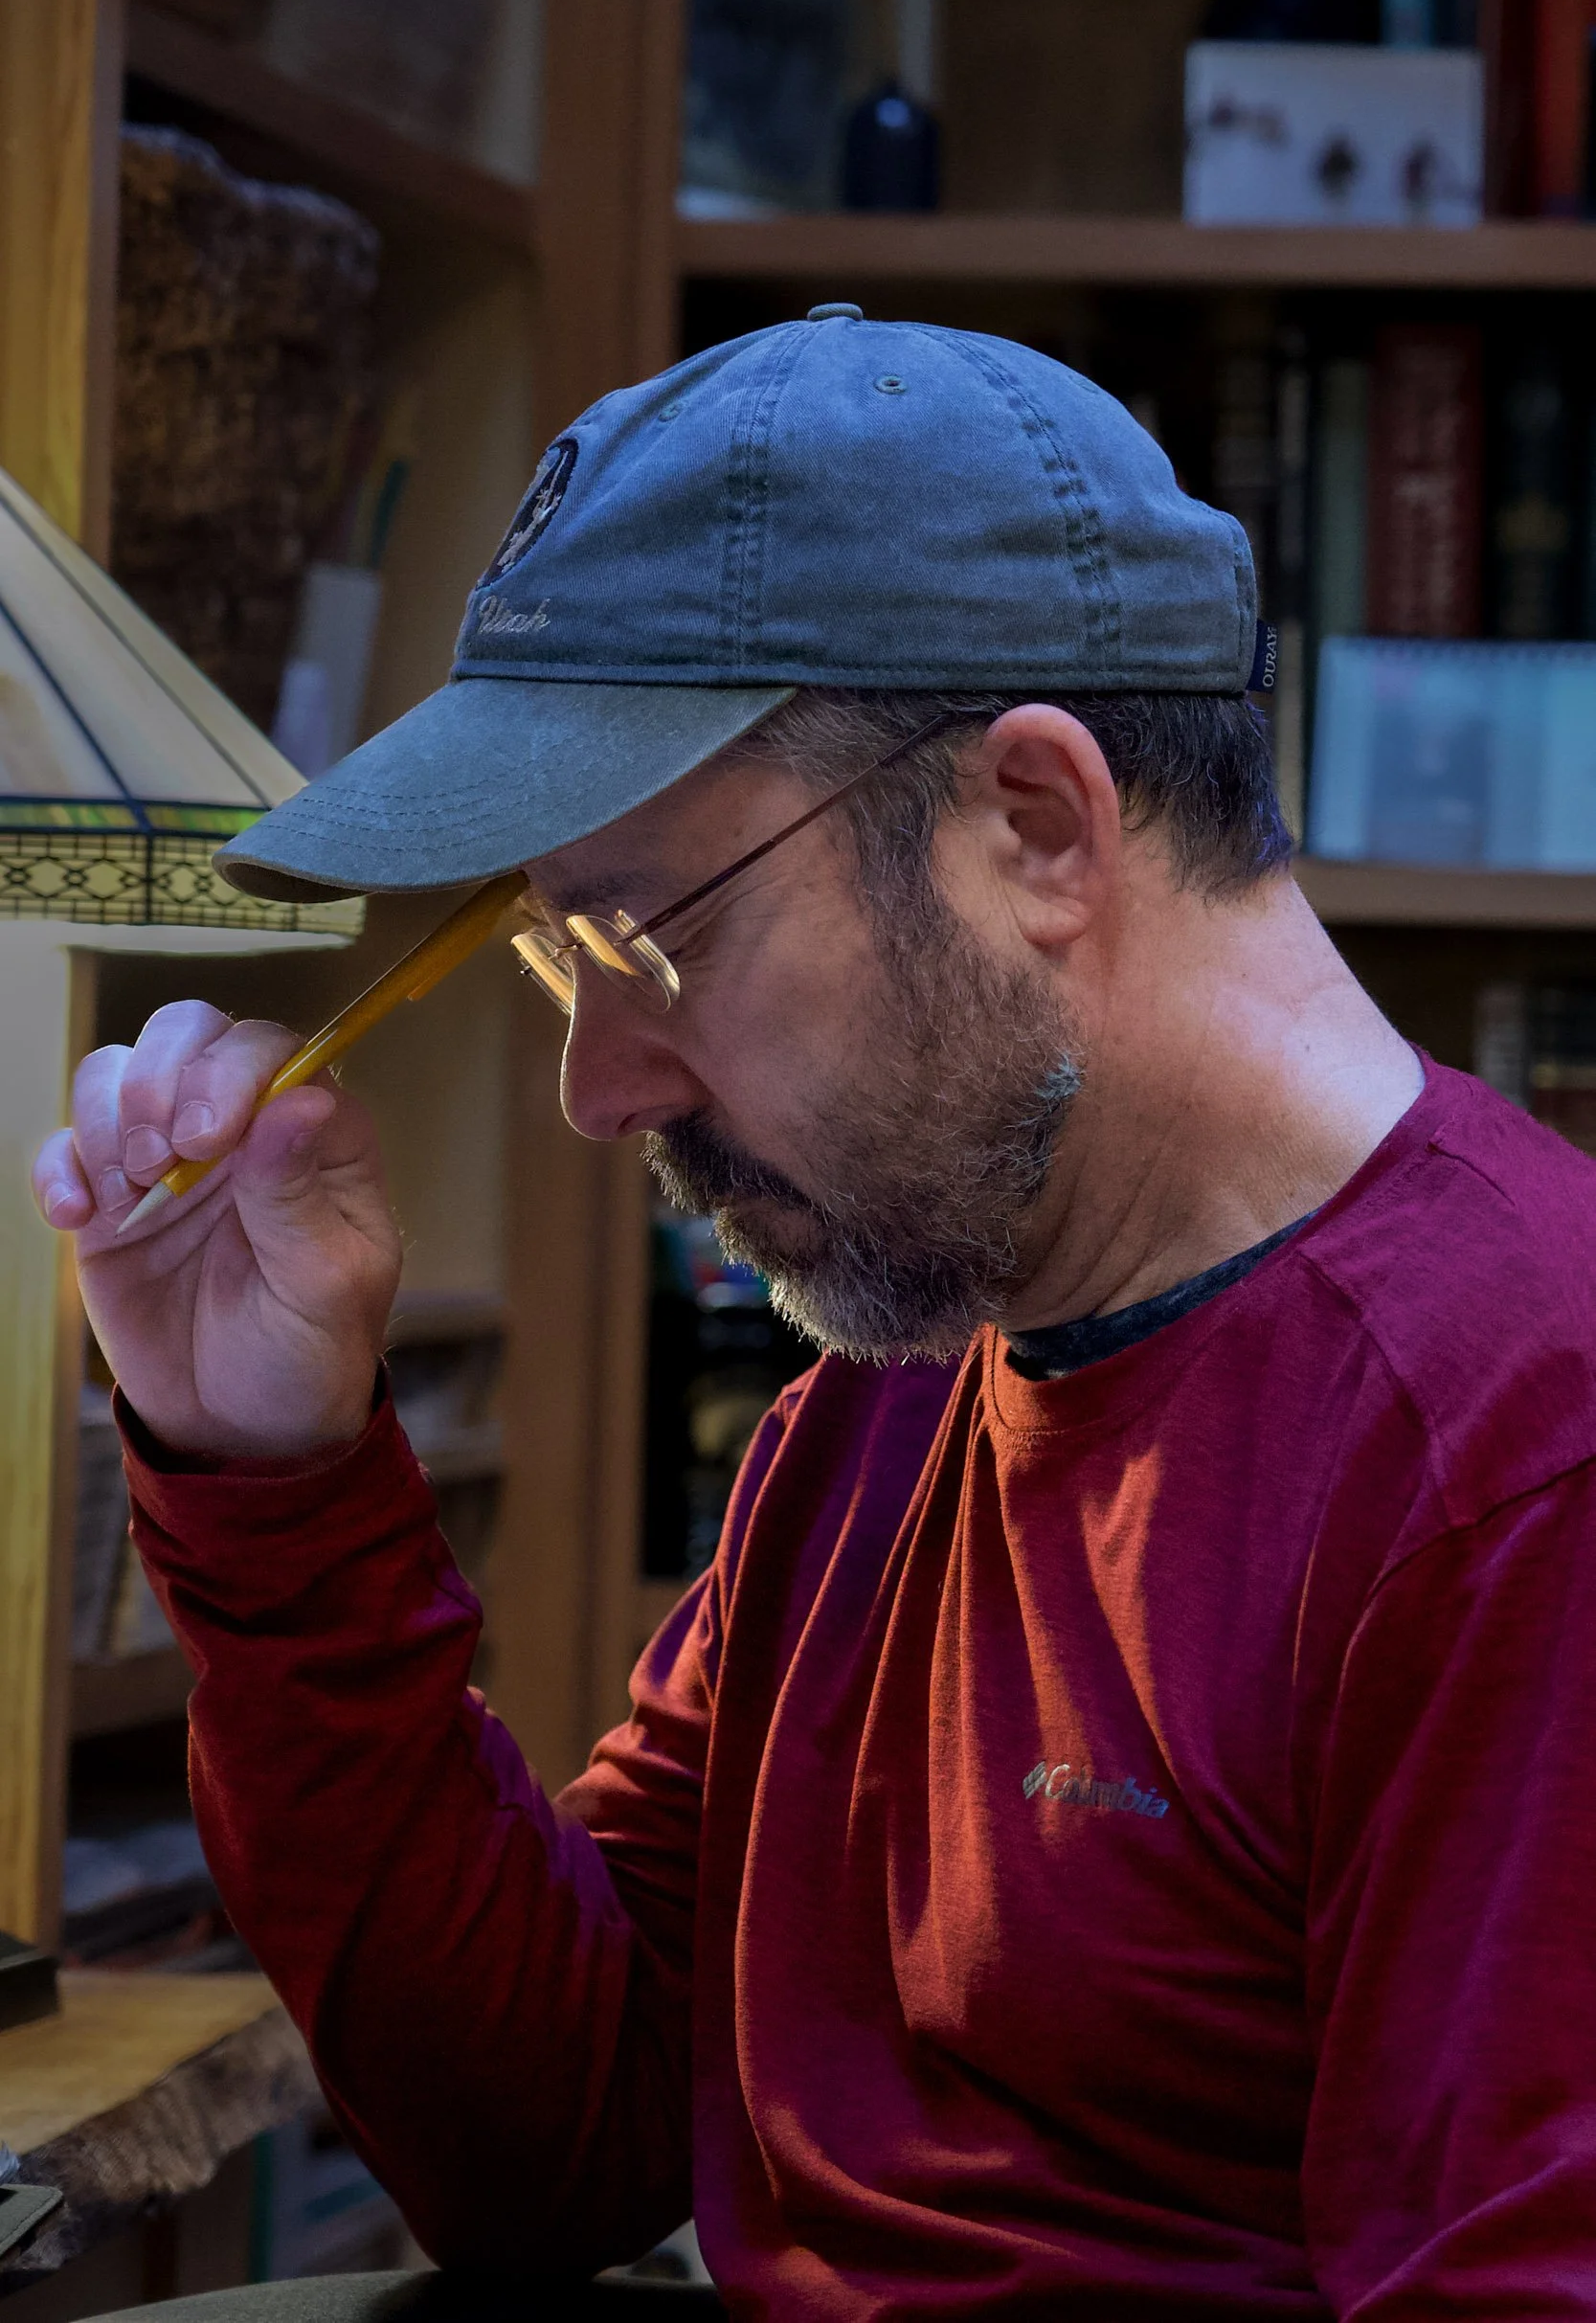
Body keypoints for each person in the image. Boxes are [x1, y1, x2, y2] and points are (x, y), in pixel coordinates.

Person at [34, 307, 1596, 2322]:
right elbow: (552, 2142)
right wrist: (274, 1489)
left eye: (641, 935)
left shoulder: (1513, 1451)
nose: (598, 1088)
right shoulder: (894, 1393)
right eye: (551, 958)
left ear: (1037, 824)